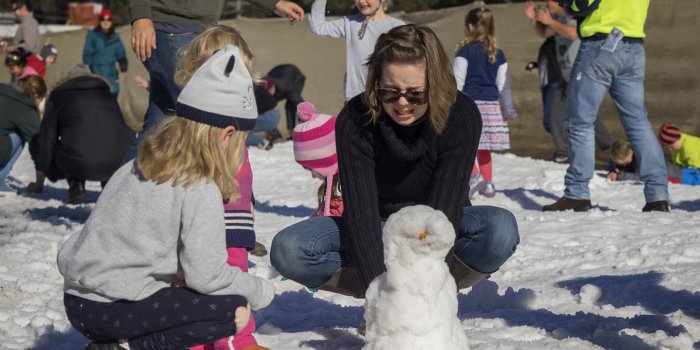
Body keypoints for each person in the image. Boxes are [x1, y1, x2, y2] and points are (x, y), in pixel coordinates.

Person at [271, 24, 519, 303]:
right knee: (288, 248)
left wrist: (431, 298)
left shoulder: (460, 115)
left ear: (436, 85)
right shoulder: (355, 118)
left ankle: (423, 293)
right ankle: (389, 288)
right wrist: (381, 300)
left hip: (438, 223)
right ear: (375, 82)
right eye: (389, 92)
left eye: (416, 94)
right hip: (377, 227)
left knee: (501, 229)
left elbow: (444, 212)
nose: (402, 104)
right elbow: (361, 214)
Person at [57, 45, 275, 350]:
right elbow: (208, 277)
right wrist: (260, 291)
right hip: (114, 308)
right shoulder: (199, 185)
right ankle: (126, 347)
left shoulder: (138, 166)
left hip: (77, 301)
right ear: (226, 134)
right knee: (233, 310)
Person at [173, 25, 270, 350]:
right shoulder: (193, 125)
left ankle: (238, 340)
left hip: (233, 226)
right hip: (197, 229)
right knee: (195, 288)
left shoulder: (236, 125)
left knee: (231, 285)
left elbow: (241, 179)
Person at [122, 0, 305, 163]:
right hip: (171, 27)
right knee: (208, 119)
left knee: (158, 122)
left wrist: (274, 3)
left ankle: (121, 192)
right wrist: (141, 15)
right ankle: (229, 195)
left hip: (199, 33)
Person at [542, 0, 669, 213]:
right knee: (638, 122)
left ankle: (577, 192)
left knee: (580, 121)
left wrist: (567, 8)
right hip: (634, 46)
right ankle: (658, 195)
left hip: (601, 44)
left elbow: (583, 3)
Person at [25, 64, 135, 204]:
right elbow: (119, 128)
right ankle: (108, 185)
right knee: (104, 139)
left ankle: (75, 183)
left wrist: (44, 171)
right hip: (117, 159)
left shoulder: (58, 95)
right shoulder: (107, 94)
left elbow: (47, 137)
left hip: (78, 161)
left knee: (58, 142)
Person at [523, 0, 612, 164]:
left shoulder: (571, 14)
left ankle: (607, 148)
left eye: (548, 2)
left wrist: (549, 20)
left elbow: (573, 34)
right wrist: (533, 19)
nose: (546, 5)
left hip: (579, 70)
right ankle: (565, 151)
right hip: (564, 73)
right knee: (562, 113)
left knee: (581, 112)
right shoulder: (558, 19)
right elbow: (544, 33)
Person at [454, 7, 512, 199]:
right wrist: (508, 109)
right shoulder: (498, 54)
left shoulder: (465, 52)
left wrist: (453, 106)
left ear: (469, 27)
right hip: (492, 107)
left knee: (466, 145)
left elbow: (458, 81)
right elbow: (503, 85)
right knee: (484, 148)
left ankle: (474, 177)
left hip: (470, 106)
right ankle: (488, 184)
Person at [309, 0, 405, 102]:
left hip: (385, 96)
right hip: (353, 96)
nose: (361, 1)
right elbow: (318, 28)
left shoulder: (396, 27)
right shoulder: (350, 23)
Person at [293, 101, 343, 217]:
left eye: (310, 169)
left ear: (325, 162)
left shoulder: (351, 192)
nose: (313, 175)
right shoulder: (338, 185)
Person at [0, 75, 46, 197]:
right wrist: (39, 184)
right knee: (20, 135)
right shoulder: (24, 109)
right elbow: (39, 145)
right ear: (35, 96)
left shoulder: (3, 89)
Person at [82, 9, 128, 97]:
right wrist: (89, 69)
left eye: (109, 19)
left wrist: (123, 60)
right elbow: (87, 54)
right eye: (103, 19)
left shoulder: (115, 37)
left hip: (111, 76)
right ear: (99, 21)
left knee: (111, 102)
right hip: (96, 74)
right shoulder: (93, 36)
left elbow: (120, 52)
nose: (106, 22)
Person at [263, 64, 306, 139]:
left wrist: (305, 123)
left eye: (269, 91)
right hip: (278, 73)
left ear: (273, 87)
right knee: (266, 106)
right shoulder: (263, 88)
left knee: (292, 102)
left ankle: (294, 132)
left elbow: (301, 105)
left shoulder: (286, 87)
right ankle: (272, 132)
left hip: (295, 76)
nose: (267, 94)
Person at [246, 81, 280, 150]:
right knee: (243, 130)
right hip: (274, 114)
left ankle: (263, 143)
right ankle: (270, 137)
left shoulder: (247, 89)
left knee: (242, 131)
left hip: (270, 115)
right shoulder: (250, 85)